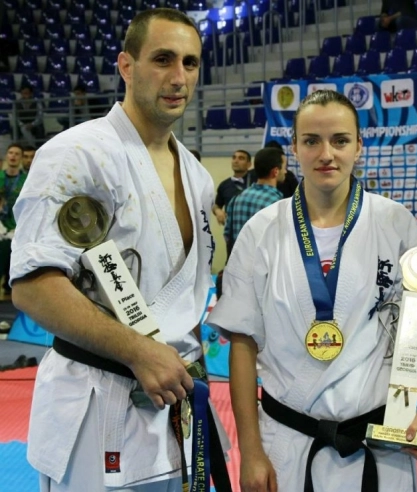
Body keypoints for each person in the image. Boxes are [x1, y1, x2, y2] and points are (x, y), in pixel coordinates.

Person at [11, 9, 226, 491]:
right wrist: (137, 351)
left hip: (175, 412)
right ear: (126, 66)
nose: (178, 78)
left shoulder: (196, 175)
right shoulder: (77, 154)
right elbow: (33, 286)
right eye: (163, 59)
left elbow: (184, 301)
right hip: (98, 408)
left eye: (190, 63)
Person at [207, 90, 417, 491]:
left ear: (359, 146)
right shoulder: (261, 231)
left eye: (340, 140)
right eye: (312, 141)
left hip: (380, 443)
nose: (326, 154)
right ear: (295, 147)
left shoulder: (396, 224)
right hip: (287, 443)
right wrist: (251, 450)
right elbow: (243, 345)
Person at [225, 147, 286, 247]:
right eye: (284, 168)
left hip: (239, 256)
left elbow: (227, 235)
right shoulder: (277, 203)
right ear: (275, 171)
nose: (285, 172)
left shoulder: (236, 199)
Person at [0, 142, 26, 293]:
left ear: (21, 158)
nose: (13, 156)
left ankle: (11, 286)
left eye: (17, 154)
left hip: (18, 225)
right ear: (6, 156)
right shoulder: (0, 177)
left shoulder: (26, 179)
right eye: (10, 153)